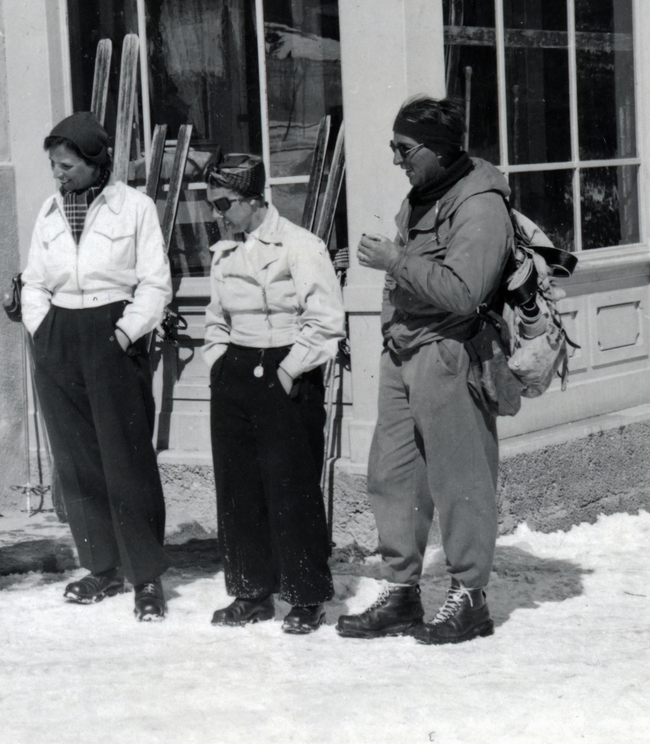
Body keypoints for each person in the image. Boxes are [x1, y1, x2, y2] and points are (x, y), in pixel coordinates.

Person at [337, 95, 513, 645]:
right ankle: (401, 593)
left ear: (438, 148)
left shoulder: (481, 205)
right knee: (392, 476)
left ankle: (470, 599)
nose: (395, 159)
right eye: (393, 146)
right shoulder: (423, 195)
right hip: (403, 351)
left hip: (448, 352)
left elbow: (464, 292)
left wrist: (394, 261)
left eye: (404, 148)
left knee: (460, 479)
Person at [21, 112, 174, 621]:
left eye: (66, 165)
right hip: (59, 335)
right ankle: (100, 567)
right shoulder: (48, 212)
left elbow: (155, 283)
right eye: (53, 165)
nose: (58, 174)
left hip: (113, 331)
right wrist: (43, 330)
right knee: (76, 460)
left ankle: (145, 577)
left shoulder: (134, 207)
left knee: (125, 458)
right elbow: (35, 281)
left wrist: (125, 333)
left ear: (95, 162)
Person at [201, 156, 345, 635]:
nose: (217, 214)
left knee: (291, 487)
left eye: (223, 204)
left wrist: (288, 371)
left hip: (287, 368)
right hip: (236, 372)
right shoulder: (224, 253)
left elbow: (325, 320)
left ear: (253, 199)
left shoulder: (301, 246)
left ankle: (305, 597)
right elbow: (215, 318)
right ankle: (251, 592)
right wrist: (220, 361)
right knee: (238, 488)